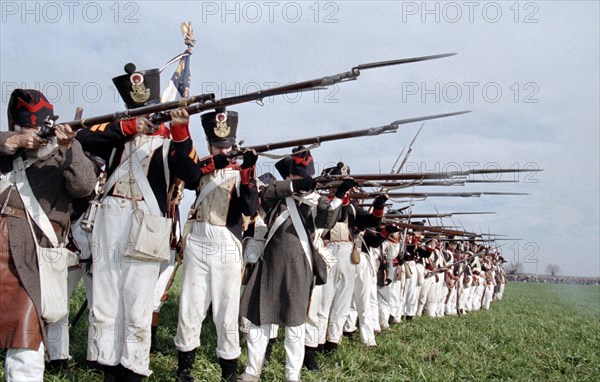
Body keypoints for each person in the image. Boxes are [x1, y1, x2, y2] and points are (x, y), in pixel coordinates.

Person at [75, 63, 201, 381]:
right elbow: (82, 137)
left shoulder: (173, 142)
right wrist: (130, 127)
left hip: (147, 224)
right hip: (108, 220)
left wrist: (182, 131)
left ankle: (132, 370)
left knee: (137, 304)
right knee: (104, 300)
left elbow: (194, 175)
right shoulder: (118, 133)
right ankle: (107, 367)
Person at [0, 89, 96, 381]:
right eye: (27, 129)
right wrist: (14, 141)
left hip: (32, 255)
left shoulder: (61, 155)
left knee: (25, 342)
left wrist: (69, 147)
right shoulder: (7, 152)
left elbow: (85, 186)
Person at [238, 147, 346, 382]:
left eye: (303, 177)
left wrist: (339, 197)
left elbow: (326, 221)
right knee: (259, 321)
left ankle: (292, 375)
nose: (299, 180)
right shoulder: (278, 193)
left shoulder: (318, 200)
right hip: (270, 265)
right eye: (296, 176)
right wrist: (294, 187)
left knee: (296, 327)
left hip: (300, 268)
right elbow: (264, 194)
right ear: (290, 176)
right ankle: (252, 370)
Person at [174, 109, 259, 382]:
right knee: (190, 307)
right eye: (217, 145)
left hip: (226, 243)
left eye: (227, 145)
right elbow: (187, 175)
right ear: (209, 145)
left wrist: (247, 172)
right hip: (198, 240)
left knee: (226, 310)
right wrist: (213, 163)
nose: (223, 149)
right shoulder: (202, 166)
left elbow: (250, 207)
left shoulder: (240, 171)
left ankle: (229, 372)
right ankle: (184, 370)